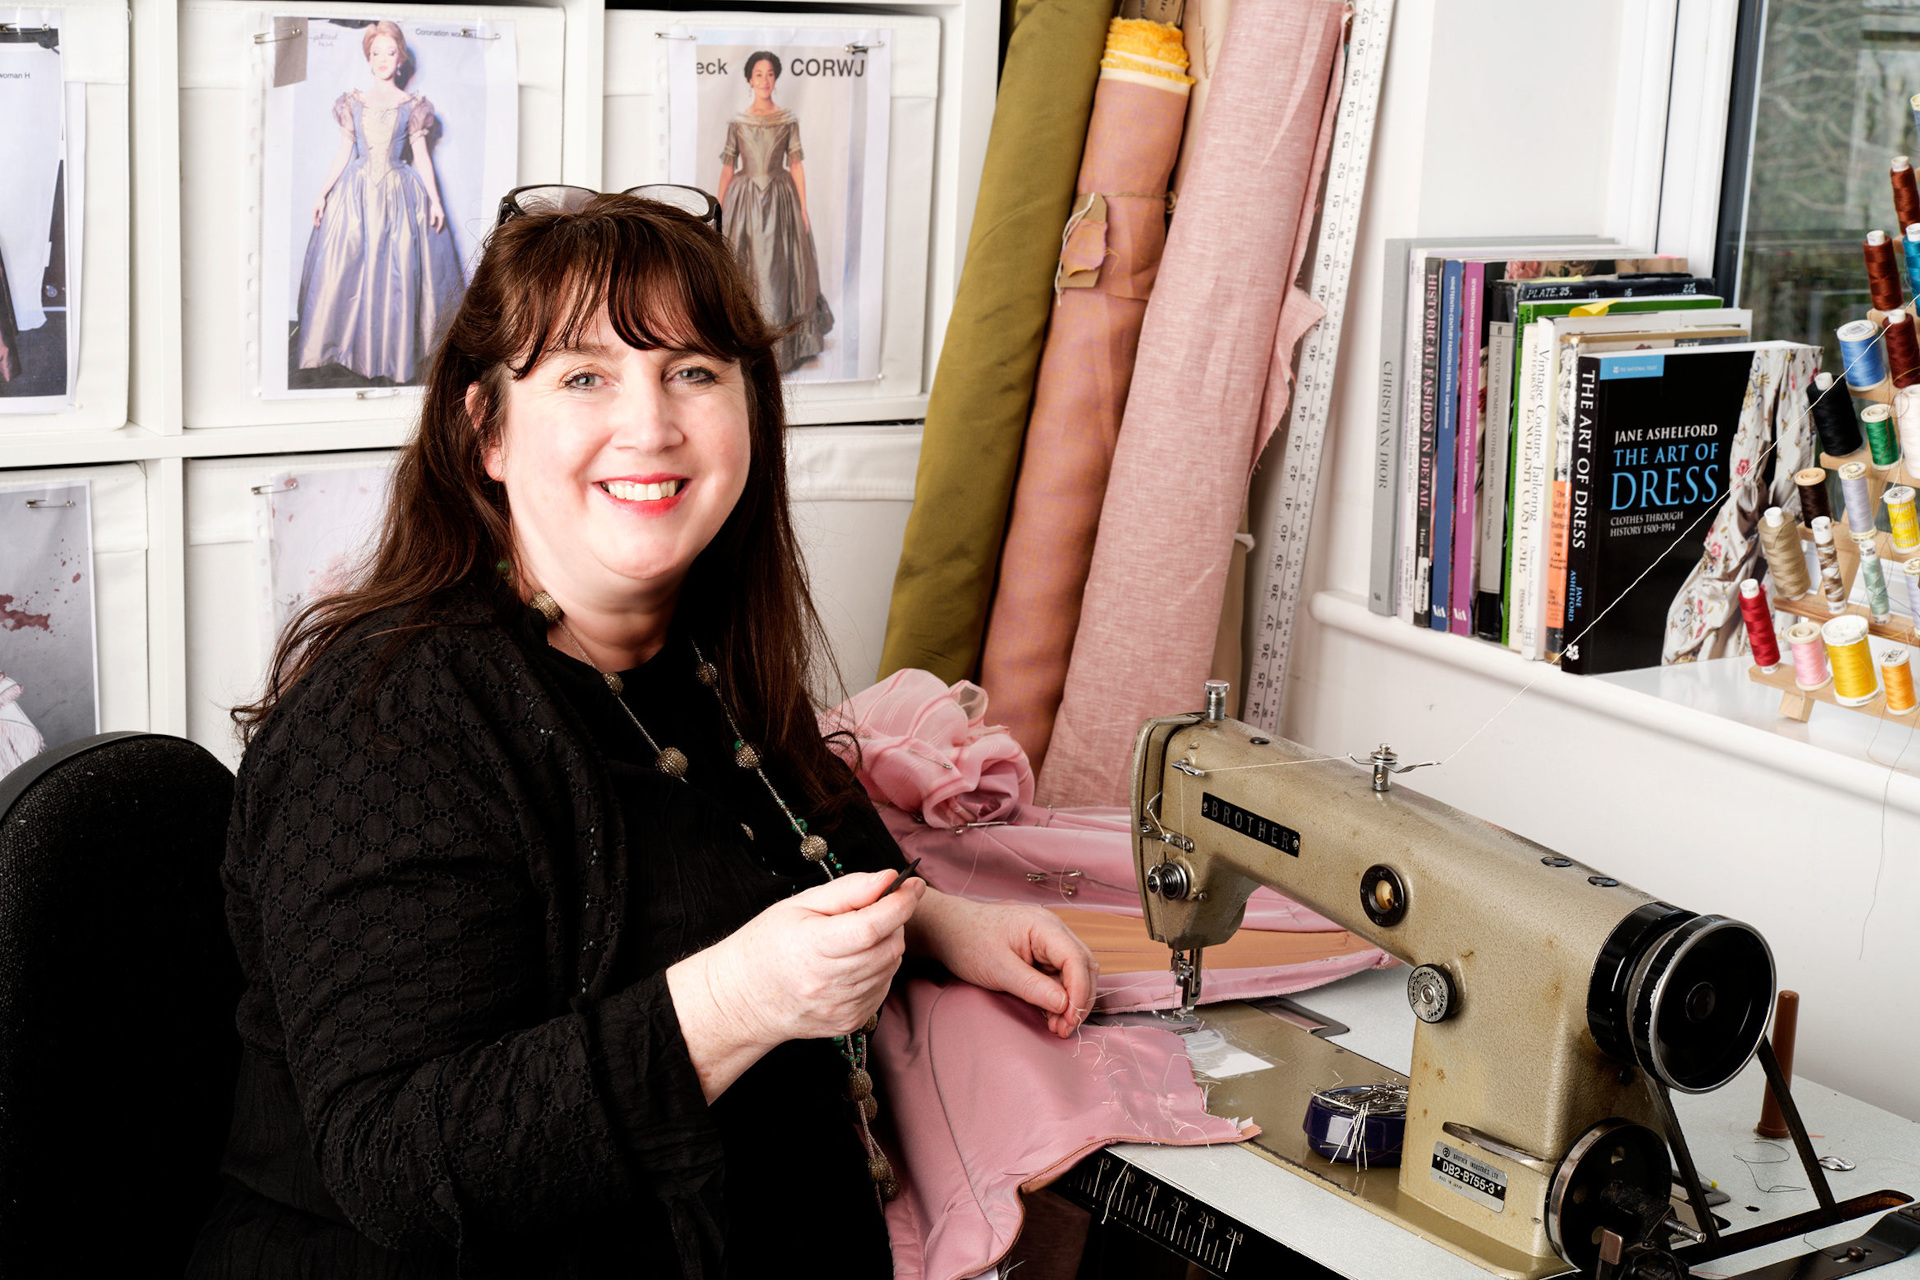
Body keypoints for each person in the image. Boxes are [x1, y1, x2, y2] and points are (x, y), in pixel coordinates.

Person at [189, 191, 1097, 1279]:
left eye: (694, 371)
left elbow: (792, 827)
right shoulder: (390, 720)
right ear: (484, 430)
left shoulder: (688, 646)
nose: (653, 423)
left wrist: (937, 917)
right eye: (584, 376)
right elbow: (395, 1157)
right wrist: (741, 998)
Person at [294, 20, 464, 387]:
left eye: (390, 52)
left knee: (397, 271)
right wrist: (323, 192)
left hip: (399, 197)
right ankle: (340, 349)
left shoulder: (412, 106)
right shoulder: (352, 102)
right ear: (368, 59)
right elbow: (343, 151)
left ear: (400, 59)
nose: (383, 59)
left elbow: (422, 157)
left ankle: (392, 353)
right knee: (347, 268)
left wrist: (435, 202)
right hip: (355, 196)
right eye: (376, 53)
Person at [715, 52, 833, 372]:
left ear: (775, 79)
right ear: (749, 80)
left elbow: (795, 165)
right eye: (758, 74)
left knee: (780, 266)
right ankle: (745, 343)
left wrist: (804, 208)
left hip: (781, 198)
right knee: (746, 264)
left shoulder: (788, 119)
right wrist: (719, 206)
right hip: (745, 198)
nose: (764, 80)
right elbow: (728, 167)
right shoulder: (738, 122)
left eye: (769, 74)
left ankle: (787, 346)